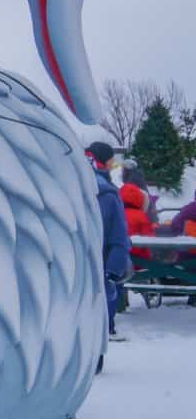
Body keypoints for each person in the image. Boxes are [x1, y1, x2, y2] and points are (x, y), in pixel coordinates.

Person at [86, 142, 130, 355]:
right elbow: (118, 238)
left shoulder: (69, 187)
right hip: (101, 266)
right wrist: (115, 271)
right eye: (112, 162)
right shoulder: (108, 194)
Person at [121, 183, 154, 261]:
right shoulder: (142, 216)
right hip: (139, 261)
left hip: (118, 259)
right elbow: (149, 239)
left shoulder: (116, 212)